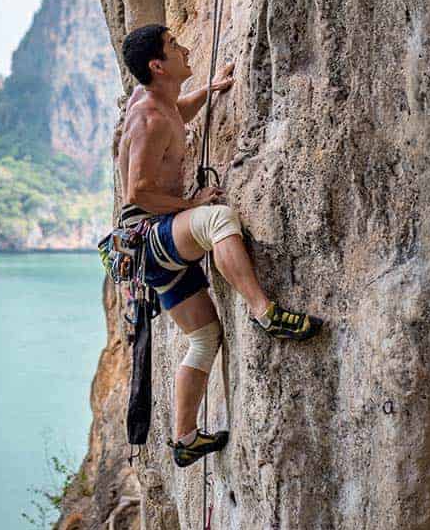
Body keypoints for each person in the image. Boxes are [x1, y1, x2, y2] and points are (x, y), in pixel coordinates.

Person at [117, 24, 323, 468]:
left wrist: (209, 90)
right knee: (217, 219)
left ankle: (185, 438)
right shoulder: (149, 117)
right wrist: (190, 203)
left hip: (147, 251)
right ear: (157, 64)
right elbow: (137, 191)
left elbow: (177, 115)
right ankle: (264, 311)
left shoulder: (157, 103)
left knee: (205, 336)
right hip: (152, 236)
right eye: (174, 46)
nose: (185, 48)